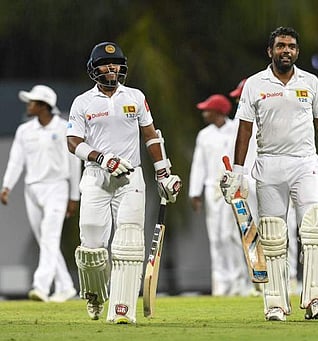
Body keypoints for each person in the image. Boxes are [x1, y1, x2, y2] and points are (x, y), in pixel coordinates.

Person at [220, 27, 318, 321]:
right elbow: (244, 129)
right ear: (270, 51)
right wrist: (238, 170)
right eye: (281, 46)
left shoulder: (309, 82)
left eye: (292, 47)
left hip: (305, 163)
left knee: (316, 231)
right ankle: (275, 304)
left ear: (297, 52)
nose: (287, 51)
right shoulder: (255, 84)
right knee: (273, 236)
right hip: (269, 165)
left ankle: (316, 301)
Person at [66, 42, 181, 324]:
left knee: (128, 244)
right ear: (94, 68)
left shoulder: (136, 97)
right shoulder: (83, 102)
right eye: (106, 64)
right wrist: (102, 158)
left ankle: (122, 310)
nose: (112, 68)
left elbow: (151, 136)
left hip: (131, 178)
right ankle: (94, 295)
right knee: (92, 247)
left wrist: (163, 172)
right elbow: (73, 142)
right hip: (96, 177)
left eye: (116, 63)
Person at [1, 84, 81, 303]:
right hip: (32, 190)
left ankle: (41, 286)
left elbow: (74, 164)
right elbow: (16, 161)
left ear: (44, 106)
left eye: (32, 102)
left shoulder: (65, 128)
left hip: (57, 187)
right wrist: (6, 186)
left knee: (49, 236)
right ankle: (65, 286)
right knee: (45, 240)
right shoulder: (24, 131)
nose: (28, 105)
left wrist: (74, 196)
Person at [229, 79, 300, 294]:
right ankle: (259, 280)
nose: (238, 102)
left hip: (274, 178)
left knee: (284, 227)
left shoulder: (273, 115)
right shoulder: (237, 122)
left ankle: (290, 278)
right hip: (248, 182)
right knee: (250, 232)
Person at [189, 94, 250, 296]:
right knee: (216, 238)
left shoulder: (236, 130)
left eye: (208, 109)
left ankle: (238, 282)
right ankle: (221, 285)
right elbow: (199, 164)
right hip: (211, 189)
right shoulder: (204, 135)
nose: (204, 113)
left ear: (218, 112)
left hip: (232, 187)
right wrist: (194, 193)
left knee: (230, 235)